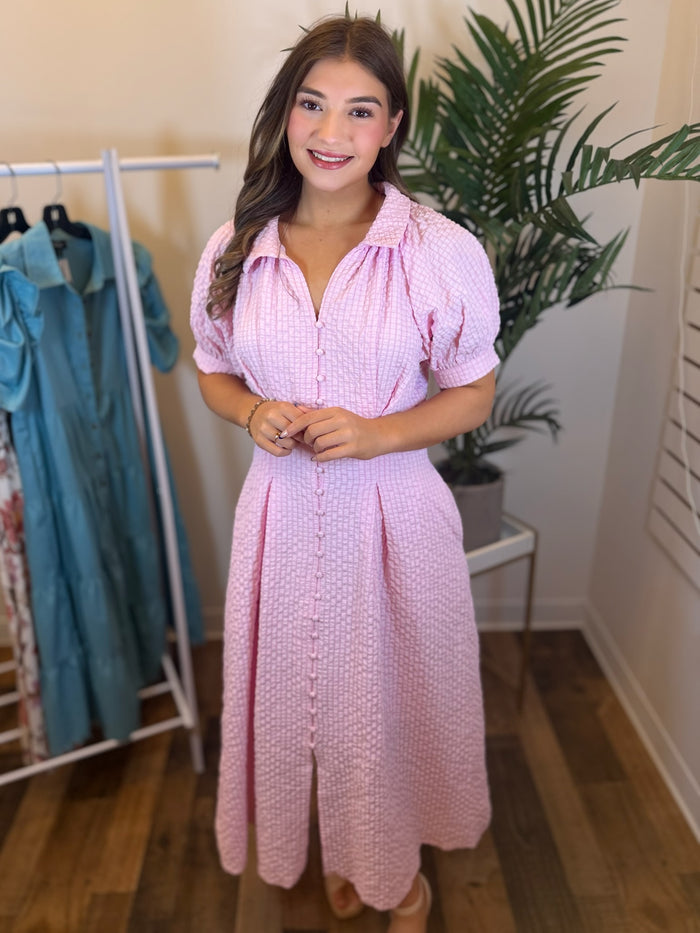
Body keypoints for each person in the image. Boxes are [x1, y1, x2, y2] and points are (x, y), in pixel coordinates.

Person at [189, 14, 499, 931]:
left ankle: (396, 873)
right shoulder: (237, 246)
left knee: (383, 712)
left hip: (394, 520)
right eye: (312, 105)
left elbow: (474, 390)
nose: (331, 133)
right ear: (285, 113)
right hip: (279, 519)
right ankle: (340, 850)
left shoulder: (437, 251)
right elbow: (211, 366)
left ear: (393, 125)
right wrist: (253, 410)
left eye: (359, 111)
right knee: (301, 709)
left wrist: (376, 434)